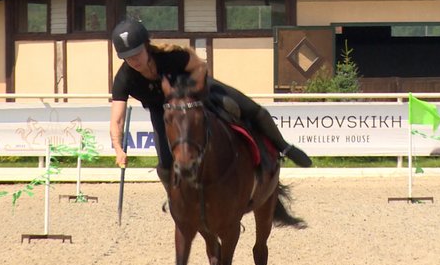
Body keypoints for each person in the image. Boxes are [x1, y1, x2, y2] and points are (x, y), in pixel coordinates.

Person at [109, 19, 311, 191]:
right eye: (127, 57)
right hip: (163, 111)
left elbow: (200, 66)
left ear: (146, 45)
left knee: (251, 110)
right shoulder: (124, 79)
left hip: (197, 90)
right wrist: (118, 149)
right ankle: (174, 197)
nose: (133, 61)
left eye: (136, 54)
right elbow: (117, 120)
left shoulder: (171, 57)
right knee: (164, 163)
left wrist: (194, 90)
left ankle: (284, 148)